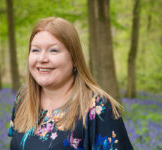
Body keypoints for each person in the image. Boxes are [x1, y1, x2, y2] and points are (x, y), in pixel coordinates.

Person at [8, 17, 133, 150]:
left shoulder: (98, 107)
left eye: (53, 50)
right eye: (35, 50)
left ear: (74, 58)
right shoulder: (24, 96)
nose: (42, 58)